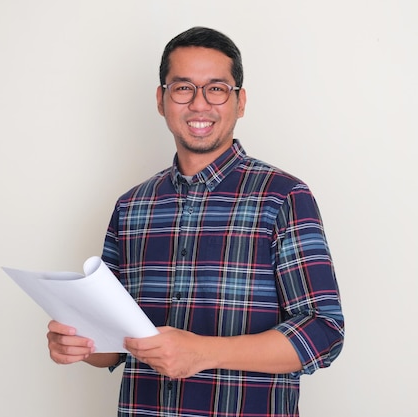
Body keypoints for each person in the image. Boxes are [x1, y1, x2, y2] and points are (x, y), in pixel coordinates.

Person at [47, 26, 344, 417]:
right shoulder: (131, 207)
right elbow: (115, 343)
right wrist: (79, 344)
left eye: (216, 88)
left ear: (240, 101)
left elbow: (323, 332)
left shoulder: (284, 197)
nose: (199, 104)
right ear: (162, 99)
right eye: (183, 88)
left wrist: (202, 352)